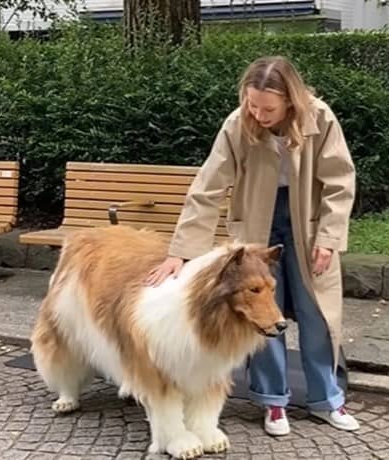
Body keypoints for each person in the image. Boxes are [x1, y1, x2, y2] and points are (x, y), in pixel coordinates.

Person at [145, 56, 360, 435]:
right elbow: (207, 188)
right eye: (252, 104)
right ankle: (272, 403)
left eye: (268, 108)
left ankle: (327, 400)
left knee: (318, 313)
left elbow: (340, 182)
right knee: (258, 312)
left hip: (307, 224)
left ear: (290, 101)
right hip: (256, 226)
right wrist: (181, 252)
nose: (258, 114)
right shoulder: (237, 124)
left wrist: (328, 238)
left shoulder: (320, 118)